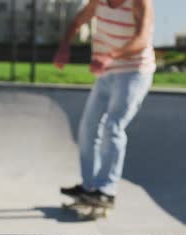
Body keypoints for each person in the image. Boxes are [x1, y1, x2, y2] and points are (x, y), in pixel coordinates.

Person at [55, 0, 156, 208]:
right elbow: (78, 21)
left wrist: (110, 55)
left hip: (134, 71)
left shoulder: (140, 3)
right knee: (88, 128)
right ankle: (89, 186)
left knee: (113, 126)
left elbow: (142, 39)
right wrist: (64, 46)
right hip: (107, 73)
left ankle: (106, 191)